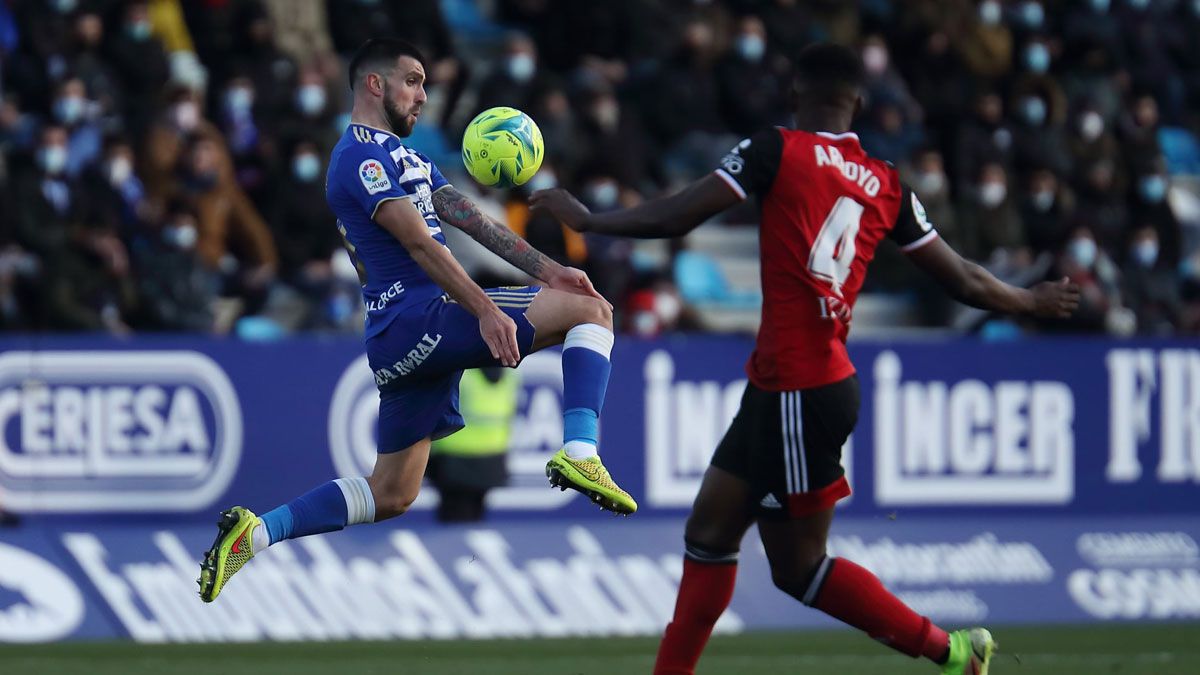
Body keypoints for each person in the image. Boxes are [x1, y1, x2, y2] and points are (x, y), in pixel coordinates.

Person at [531, 43, 1080, 675]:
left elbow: (682, 213)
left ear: (795, 94)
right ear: (859, 104)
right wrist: (1029, 299)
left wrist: (593, 219)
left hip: (799, 386)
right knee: (708, 536)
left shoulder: (777, 149)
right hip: (794, 384)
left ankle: (953, 653)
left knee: (801, 568)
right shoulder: (888, 184)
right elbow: (964, 280)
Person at [198, 38, 635, 603]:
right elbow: (420, 243)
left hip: (397, 337)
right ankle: (581, 453)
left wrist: (551, 270)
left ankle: (255, 535)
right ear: (375, 85)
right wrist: (484, 310)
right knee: (594, 313)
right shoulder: (358, 156)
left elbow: (467, 218)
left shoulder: (407, 158)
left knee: (392, 492)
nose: (424, 96)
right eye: (413, 81)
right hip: (421, 316)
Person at [427, 366, 520, 523]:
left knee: (452, 523)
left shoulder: (459, 370)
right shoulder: (509, 373)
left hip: (452, 458)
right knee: (473, 517)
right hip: (492, 459)